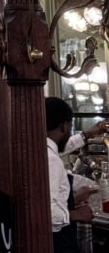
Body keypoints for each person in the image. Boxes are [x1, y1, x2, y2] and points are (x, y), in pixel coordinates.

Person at [46, 97, 95, 251]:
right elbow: (49, 214)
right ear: (64, 126)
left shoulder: (38, 150)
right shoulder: (51, 159)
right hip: (58, 242)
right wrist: (77, 214)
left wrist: (72, 199)